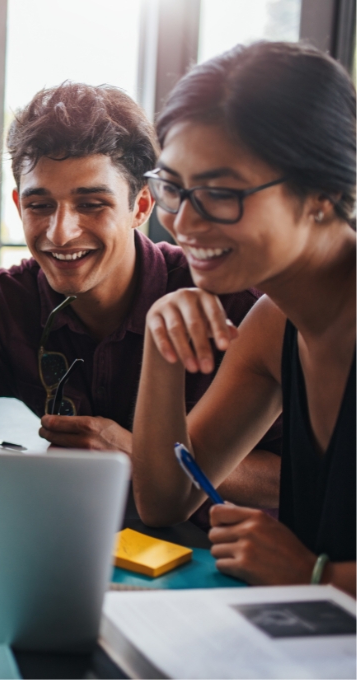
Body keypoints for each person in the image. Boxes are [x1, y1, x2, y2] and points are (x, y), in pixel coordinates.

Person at [0, 82, 281, 511]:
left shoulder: (234, 302)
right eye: (40, 206)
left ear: (141, 206)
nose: (60, 233)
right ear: (19, 203)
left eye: (92, 204)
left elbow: (297, 481)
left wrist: (135, 454)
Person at [131, 42, 355, 594]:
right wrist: (161, 348)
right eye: (173, 188)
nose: (182, 222)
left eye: (217, 193)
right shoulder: (274, 324)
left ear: (323, 192)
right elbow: (164, 501)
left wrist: (314, 576)